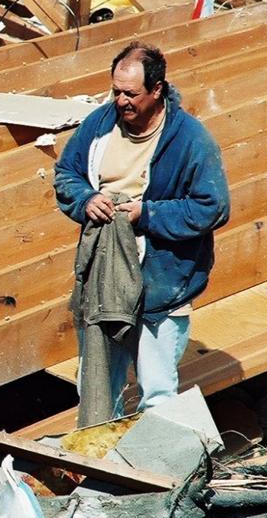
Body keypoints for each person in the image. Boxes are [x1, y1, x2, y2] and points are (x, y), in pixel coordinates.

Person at [54, 41, 230, 419]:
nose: (121, 101)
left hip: (162, 282)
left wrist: (146, 214)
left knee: (157, 391)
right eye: (116, 91)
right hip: (105, 276)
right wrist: (86, 199)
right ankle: (102, 453)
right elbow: (66, 173)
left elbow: (211, 206)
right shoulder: (99, 125)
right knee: (98, 383)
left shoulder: (190, 140)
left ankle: (159, 457)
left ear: (157, 89)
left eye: (131, 94)